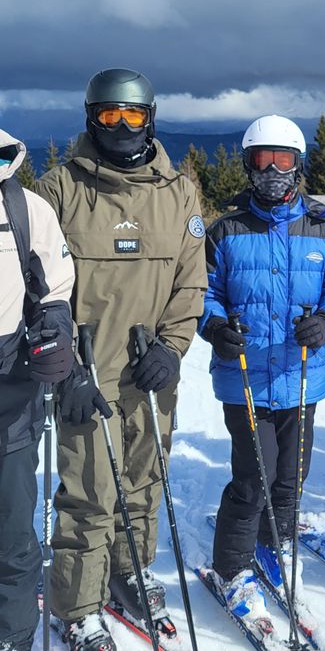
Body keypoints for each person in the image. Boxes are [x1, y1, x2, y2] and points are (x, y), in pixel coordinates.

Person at [36, 69, 207, 651]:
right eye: (111, 115)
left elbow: (191, 282)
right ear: (92, 119)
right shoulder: (60, 189)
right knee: (88, 492)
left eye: (133, 115)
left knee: (144, 480)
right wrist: (64, 366)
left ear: (150, 119)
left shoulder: (178, 192)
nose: (123, 126)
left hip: (149, 369)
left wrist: (173, 348)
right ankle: (78, 605)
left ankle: (129, 569)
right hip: (87, 372)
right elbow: (38, 287)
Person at [200, 115, 325, 628]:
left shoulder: (323, 228)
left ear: (298, 165)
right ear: (248, 166)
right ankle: (231, 566)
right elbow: (202, 292)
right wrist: (215, 325)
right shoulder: (227, 230)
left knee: (292, 474)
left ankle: (275, 538)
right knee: (254, 477)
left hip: (302, 374)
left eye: (282, 160)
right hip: (246, 374)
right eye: (262, 160)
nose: (272, 171)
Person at [0, 130, 75, 651]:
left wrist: (54, 330)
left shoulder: (28, 209)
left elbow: (54, 288)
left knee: (11, 532)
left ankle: (14, 635)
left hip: (10, 392)